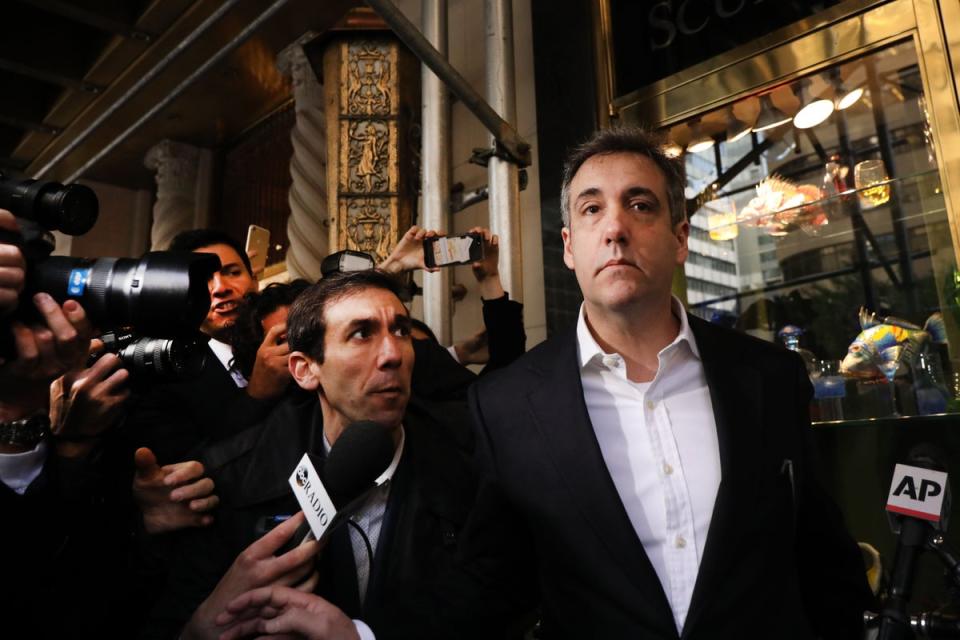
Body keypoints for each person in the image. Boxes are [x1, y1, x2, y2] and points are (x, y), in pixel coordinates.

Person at [216, 127, 873, 640]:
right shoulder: (508, 406)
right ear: (568, 246)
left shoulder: (766, 378)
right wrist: (363, 633)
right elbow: (490, 582)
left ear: (679, 238)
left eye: (639, 205)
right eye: (592, 210)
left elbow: (822, 558)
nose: (614, 227)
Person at [148, 270, 479, 640]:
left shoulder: (471, 463)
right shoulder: (231, 480)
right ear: (305, 369)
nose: (392, 354)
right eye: (361, 334)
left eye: (400, 330)